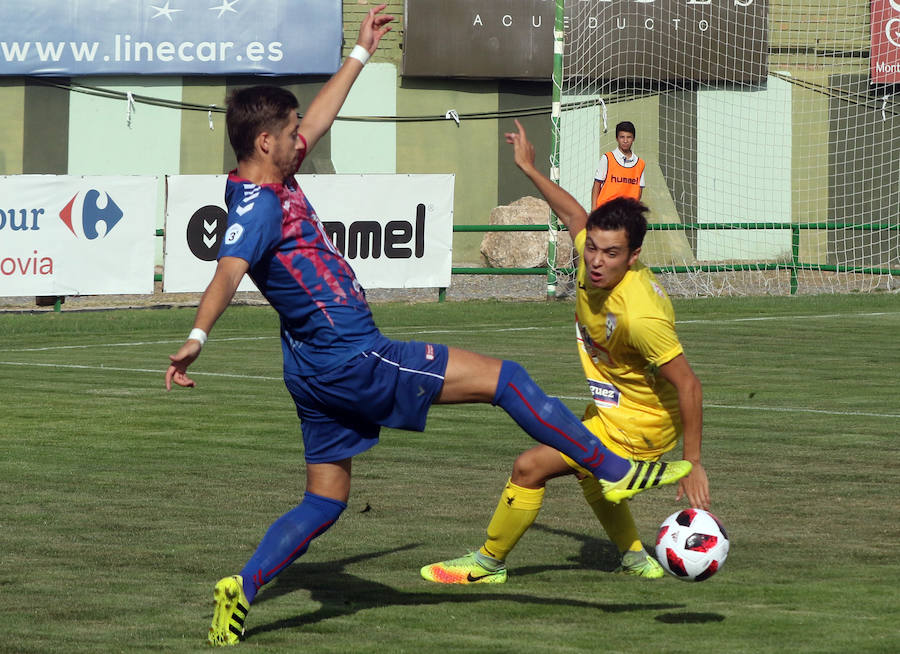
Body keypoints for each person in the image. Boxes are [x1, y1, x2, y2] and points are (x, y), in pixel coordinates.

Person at [165, 8, 691, 646]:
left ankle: (242, 588)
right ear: (267, 142)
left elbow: (321, 119)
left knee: (326, 500)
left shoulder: (267, 172)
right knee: (507, 380)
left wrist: (359, 54)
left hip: (308, 370)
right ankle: (608, 465)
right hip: (353, 357)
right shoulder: (256, 208)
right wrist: (196, 340)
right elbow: (226, 271)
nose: (304, 133)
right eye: (292, 128)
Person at [421, 120, 708, 585]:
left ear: (633, 257)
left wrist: (692, 463)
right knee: (587, 475)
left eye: (611, 254)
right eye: (592, 249)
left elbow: (689, 384)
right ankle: (636, 559)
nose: (596, 260)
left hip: (644, 425)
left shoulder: (640, 314)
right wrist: (529, 169)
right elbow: (576, 214)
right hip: (612, 407)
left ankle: (486, 564)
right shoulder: (590, 253)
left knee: (529, 467)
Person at [591, 120, 645, 211]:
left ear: (633, 139)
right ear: (617, 138)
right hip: (606, 212)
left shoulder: (640, 163)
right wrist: (593, 210)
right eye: (622, 137)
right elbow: (597, 184)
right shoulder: (607, 158)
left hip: (627, 215)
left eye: (629, 137)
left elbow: (639, 191)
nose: (625, 140)